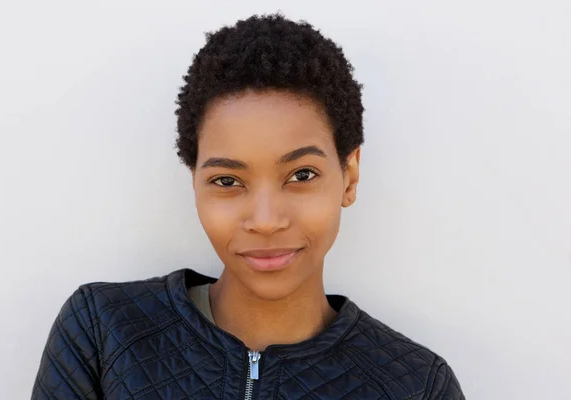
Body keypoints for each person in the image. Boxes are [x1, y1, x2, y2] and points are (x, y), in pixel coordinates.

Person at [32, 14, 464, 399]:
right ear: (196, 184)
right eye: (227, 181)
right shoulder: (102, 332)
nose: (265, 220)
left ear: (349, 175)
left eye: (301, 175)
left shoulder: (418, 386)